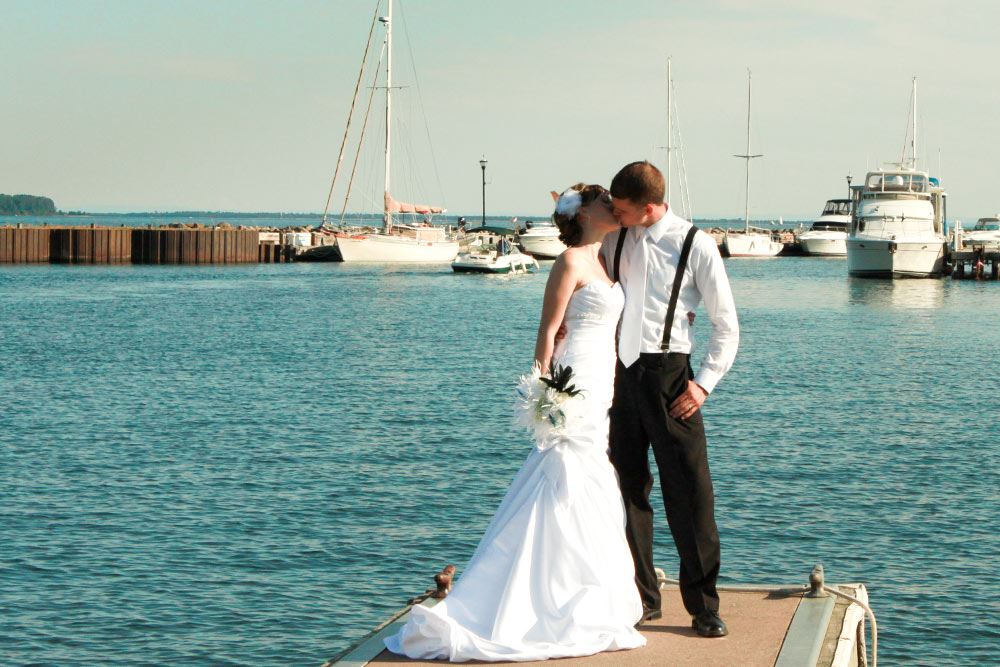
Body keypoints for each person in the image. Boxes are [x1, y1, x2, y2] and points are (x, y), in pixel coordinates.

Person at [384, 184, 646, 661]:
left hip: (602, 381)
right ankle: (542, 594)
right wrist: (546, 392)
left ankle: (581, 589)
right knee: (566, 475)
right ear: (584, 214)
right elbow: (547, 331)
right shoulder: (569, 262)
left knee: (590, 480)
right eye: (604, 202)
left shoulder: (607, 259)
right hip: (575, 379)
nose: (613, 207)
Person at [602, 161, 739, 638]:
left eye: (622, 209)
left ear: (649, 206)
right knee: (626, 490)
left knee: (691, 494)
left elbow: (726, 325)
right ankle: (642, 599)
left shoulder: (695, 244)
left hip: (672, 378)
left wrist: (703, 385)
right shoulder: (615, 238)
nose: (615, 215)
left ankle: (704, 607)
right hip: (620, 378)